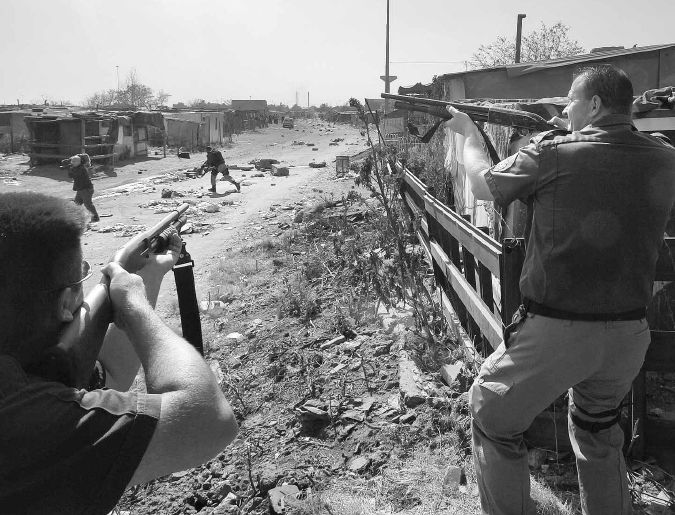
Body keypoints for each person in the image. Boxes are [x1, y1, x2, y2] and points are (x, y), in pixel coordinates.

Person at [443, 66, 675, 515]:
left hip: (560, 331)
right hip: (629, 335)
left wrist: (469, 133)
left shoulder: (551, 154)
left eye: (571, 100)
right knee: (596, 428)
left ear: (593, 105)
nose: (565, 108)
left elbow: (480, 184)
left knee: (491, 414)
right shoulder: (664, 156)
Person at [0, 192, 238, 514]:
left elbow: (108, 374)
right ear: (67, 303)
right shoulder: (34, 420)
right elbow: (209, 419)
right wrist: (133, 302)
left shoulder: (18, 384)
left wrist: (146, 276)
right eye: (84, 273)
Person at [67, 153, 100, 223]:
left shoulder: (82, 169)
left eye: (74, 162)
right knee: (77, 203)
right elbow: (71, 175)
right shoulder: (77, 167)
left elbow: (73, 174)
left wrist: (68, 168)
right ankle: (76, 217)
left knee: (87, 204)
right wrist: (68, 166)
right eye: (72, 162)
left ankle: (95, 217)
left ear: (78, 162)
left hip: (86, 189)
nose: (72, 163)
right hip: (81, 189)